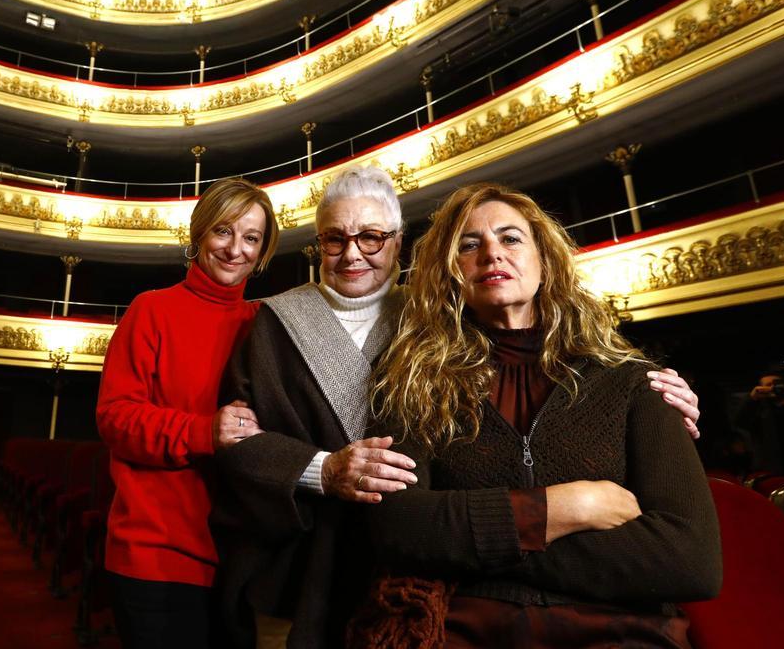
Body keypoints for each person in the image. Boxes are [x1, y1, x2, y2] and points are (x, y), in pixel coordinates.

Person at [211, 169, 702, 649]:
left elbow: (688, 555)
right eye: (334, 240)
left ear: (398, 243)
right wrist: (325, 468)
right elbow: (242, 439)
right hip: (324, 554)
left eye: (371, 237)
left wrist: (657, 407)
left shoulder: (432, 321)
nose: (352, 253)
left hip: (456, 574)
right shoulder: (288, 325)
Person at [362, 182, 722, 647]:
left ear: (545, 260)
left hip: (621, 632)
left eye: (511, 238)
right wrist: (569, 506)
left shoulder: (634, 381)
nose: (492, 253)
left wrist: (473, 546)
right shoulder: (412, 379)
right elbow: (397, 527)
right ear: (450, 272)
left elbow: (691, 560)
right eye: (469, 245)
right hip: (470, 632)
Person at [96, 177, 278, 648]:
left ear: (263, 251)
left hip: (240, 558)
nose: (235, 249)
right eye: (223, 231)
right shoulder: (151, 309)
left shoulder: (263, 323)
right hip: (156, 554)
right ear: (199, 234)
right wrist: (203, 432)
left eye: (251, 238)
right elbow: (115, 418)